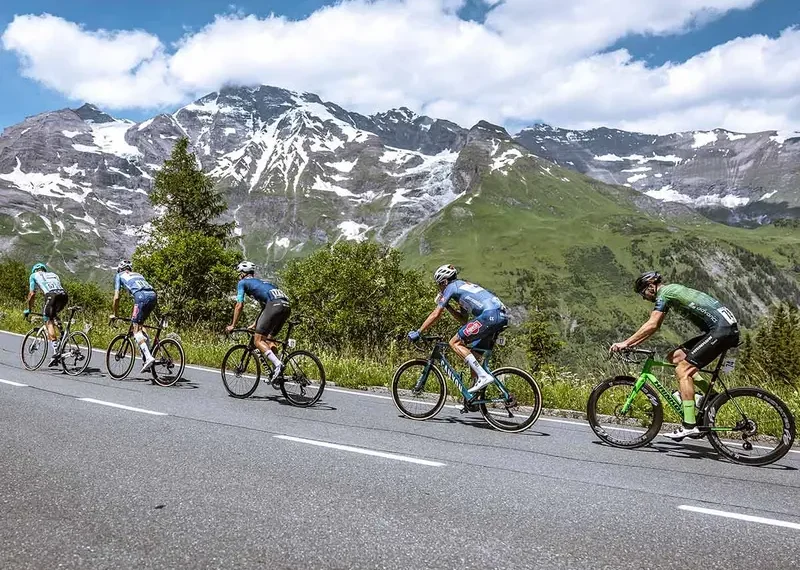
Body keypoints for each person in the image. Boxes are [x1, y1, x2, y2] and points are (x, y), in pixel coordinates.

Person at [610, 271, 740, 440]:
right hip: (723, 329)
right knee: (675, 357)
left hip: (721, 331)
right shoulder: (671, 290)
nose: (644, 298)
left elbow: (653, 324)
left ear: (651, 286)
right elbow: (654, 327)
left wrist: (626, 343)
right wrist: (633, 343)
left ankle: (689, 425)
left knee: (683, 372)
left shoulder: (665, 293)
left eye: (643, 293)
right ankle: (712, 396)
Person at [408, 264, 508, 399]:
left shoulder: (451, 287)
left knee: (454, 342)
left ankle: (483, 377)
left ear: (444, 281)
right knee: (475, 354)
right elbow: (463, 319)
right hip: (500, 315)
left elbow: (436, 314)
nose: (440, 289)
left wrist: (419, 331)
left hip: (489, 315)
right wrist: (448, 306)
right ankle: (475, 397)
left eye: (439, 285)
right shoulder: (461, 288)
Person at [225, 261, 291, 382]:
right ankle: (277, 372)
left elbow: (239, 305)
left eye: (239, 273)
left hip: (274, 306)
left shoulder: (243, 283)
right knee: (269, 339)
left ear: (243, 274)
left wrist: (233, 325)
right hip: (286, 306)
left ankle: (278, 365)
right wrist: (256, 324)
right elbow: (264, 309)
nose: (239, 276)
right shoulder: (265, 283)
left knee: (258, 340)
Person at [111, 260, 158, 373]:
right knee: (141, 326)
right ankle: (147, 354)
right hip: (153, 296)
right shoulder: (138, 274)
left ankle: (148, 357)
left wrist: (115, 314)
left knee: (136, 329)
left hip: (141, 298)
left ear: (119, 269)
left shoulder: (119, 275)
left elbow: (116, 298)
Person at [25, 262, 69, 367]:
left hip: (51, 296)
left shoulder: (33, 275)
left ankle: (56, 351)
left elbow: (32, 294)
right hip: (63, 295)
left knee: (48, 320)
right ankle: (63, 335)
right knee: (53, 315)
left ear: (35, 270)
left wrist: (29, 309)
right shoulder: (53, 274)